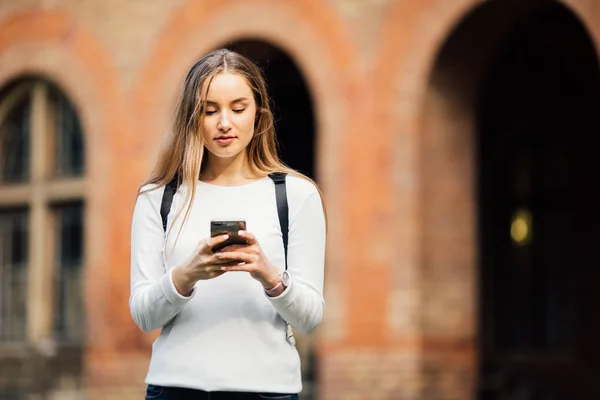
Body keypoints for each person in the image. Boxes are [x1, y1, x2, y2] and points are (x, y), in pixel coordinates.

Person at [129, 48, 327, 400]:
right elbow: (144, 316)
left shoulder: (296, 195)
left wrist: (269, 275)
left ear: (258, 114)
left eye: (238, 109)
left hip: (268, 390)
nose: (224, 123)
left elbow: (310, 317)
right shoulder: (159, 197)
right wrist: (187, 274)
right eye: (209, 110)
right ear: (192, 117)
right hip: (176, 388)